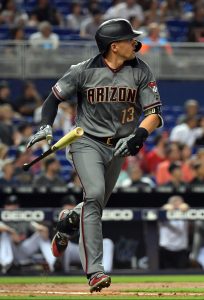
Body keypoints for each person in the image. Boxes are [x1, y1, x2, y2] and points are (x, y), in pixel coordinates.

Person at [27, 18, 163, 292]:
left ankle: (68, 221)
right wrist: (45, 125)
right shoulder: (83, 71)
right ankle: (95, 272)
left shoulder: (141, 71)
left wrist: (139, 135)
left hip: (119, 146)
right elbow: (53, 99)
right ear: (114, 46)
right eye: (129, 39)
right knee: (95, 194)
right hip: (86, 142)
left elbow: (154, 115)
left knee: (95, 203)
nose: (135, 42)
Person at [55, 195, 114, 273]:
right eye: (68, 209)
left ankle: (105, 273)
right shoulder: (60, 220)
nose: (70, 211)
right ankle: (64, 275)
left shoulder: (83, 215)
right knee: (66, 246)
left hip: (90, 250)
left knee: (107, 243)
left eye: (72, 208)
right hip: (75, 251)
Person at [159, 195, 190, 269]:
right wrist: (164, 209)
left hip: (181, 250)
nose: (176, 205)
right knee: (165, 274)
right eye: (174, 203)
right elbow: (157, 214)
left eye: (179, 203)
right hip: (166, 249)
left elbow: (188, 209)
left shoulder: (185, 212)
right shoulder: (164, 212)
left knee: (182, 275)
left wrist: (187, 207)